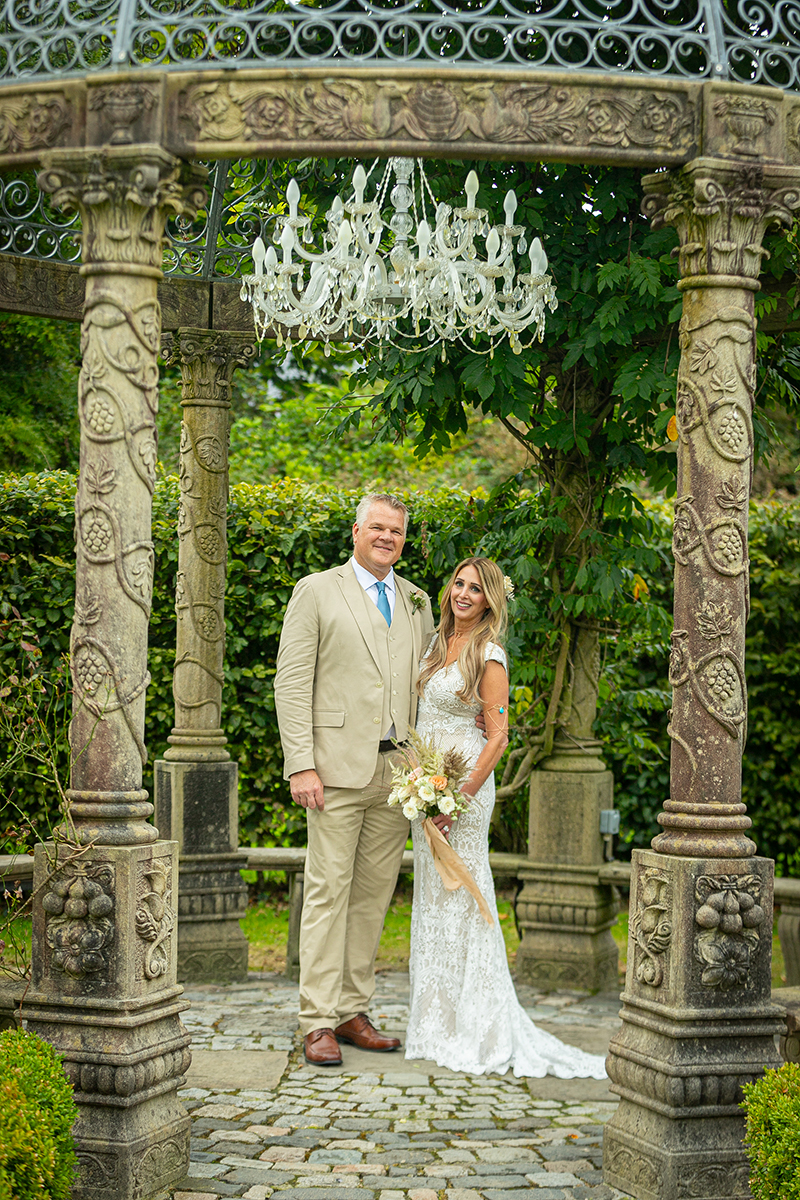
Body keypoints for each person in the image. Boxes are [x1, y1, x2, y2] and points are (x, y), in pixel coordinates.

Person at [405, 556, 607, 1079]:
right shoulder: (432, 645)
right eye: (458, 583)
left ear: (491, 600)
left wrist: (458, 797)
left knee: (466, 893)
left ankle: (479, 1024)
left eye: (476, 589)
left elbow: (498, 737)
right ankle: (435, 1023)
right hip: (425, 782)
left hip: (462, 788)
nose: (463, 594)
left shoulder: (488, 653)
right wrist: (422, 784)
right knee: (432, 895)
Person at [274, 492, 434, 1066]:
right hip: (334, 769)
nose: (387, 537)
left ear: (403, 539)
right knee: (327, 892)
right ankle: (315, 1019)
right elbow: (292, 682)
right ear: (356, 530)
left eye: (396, 531)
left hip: (396, 775)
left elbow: (423, 690)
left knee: (371, 896)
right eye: (378, 528)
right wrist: (301, 763)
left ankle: (350, 1009)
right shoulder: (317, 590)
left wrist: (426, 769)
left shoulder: (417, 601)